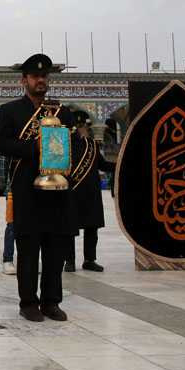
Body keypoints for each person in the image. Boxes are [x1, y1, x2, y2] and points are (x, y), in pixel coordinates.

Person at [0, 54, 75, 322]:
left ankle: (51, 301)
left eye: (44, 77)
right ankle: (28, 302)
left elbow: (74, 146)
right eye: (34, 77)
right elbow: (3, 144)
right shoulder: (11, 110)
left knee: (55, 249)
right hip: (27, 189)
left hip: (58, 191)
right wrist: (37, 148)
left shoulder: (62, 111)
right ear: (24, 81)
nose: (40, 80)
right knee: (28, 250)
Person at [65, 112, 115, 272]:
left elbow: (102, 164)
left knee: (92, 227)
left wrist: (120, 164)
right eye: (76, 127)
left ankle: (90, 259)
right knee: (70, 229)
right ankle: (70, 260)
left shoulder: (91, 144)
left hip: (91, 193)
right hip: (72, 193)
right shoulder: (64, 145)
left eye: (81, 127)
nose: (79, 130)